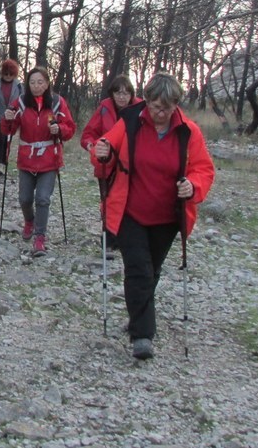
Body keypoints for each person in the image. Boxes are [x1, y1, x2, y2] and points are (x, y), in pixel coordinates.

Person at [92, 71, 215, 360]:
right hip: (130, 210)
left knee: (152, 270)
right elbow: (105, 149)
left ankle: (137, 314)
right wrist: (102, 151)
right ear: (146, 101)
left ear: (176, 106)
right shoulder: (132, 121)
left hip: (168, 216)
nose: (160, 113)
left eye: (167, 108)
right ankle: (143, 336)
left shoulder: (189, 131)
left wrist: (192, 185)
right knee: (139, 269)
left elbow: (203, 169)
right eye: (156, 106)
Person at [0, 67, 76, 256]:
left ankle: (40, 238)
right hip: (27, 158)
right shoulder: (21, 103)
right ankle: (29, 221)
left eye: (40, 82)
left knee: (42, 198)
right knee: (25, 198)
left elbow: (70, 128)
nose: (36, 86)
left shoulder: (57, 103)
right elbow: (9, 130)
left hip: (50, 158)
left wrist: (59, 129)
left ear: (47, 83)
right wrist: (7, 118)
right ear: (27, 84)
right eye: (32, 82)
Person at [80, 75, 143, 252]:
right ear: (112, 94)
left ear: (132, 94)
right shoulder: (104, 108)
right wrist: (93, 147)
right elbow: (87, 135)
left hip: (131, 166)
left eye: (126, 92)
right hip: (106, 165)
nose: (122, 97)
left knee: (130, 202)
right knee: (107, 201)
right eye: (118, 92)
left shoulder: (141, 110)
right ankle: (107, 239)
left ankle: (125, 237)